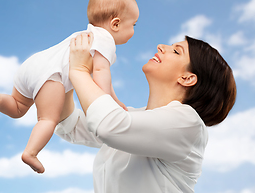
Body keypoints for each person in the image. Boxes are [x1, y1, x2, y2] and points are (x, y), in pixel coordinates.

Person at [0, 0, 139, 173]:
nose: (133, 30)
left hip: (33, 65)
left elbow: (102, 78)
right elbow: (101, 75)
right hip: (51, 76)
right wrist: (109, 101)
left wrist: (115, 99)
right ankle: (31, 152)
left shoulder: (86, 34)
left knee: (18, 107)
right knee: (47, 119)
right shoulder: (106, 41)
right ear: (116, 24)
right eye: (133, 24)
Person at [56, 33, 236, 193]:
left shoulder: (188, 123)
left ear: (187, 78)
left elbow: (107, 125)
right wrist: (65, 70)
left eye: (176, 51)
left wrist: (79, 71)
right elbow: (71, 125)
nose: (161, 47)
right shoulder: (133, 118)